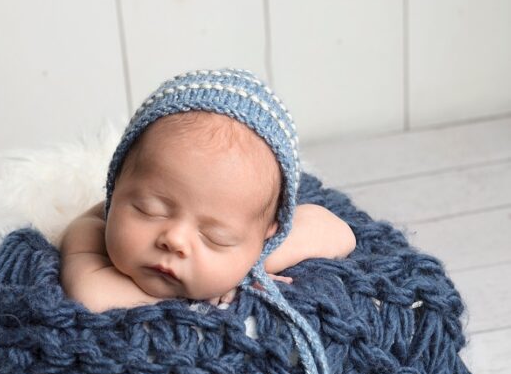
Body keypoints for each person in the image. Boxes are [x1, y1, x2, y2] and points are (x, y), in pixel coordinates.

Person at [60, 109, 356, 313]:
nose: (174, 239)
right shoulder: (90, 230)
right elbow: (92, 294)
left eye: (216, 237)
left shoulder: (256, 236)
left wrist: (251, 265)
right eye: (149, 210)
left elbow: (339, 232)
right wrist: (201, 298)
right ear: (116, 188)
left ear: (266, 236)